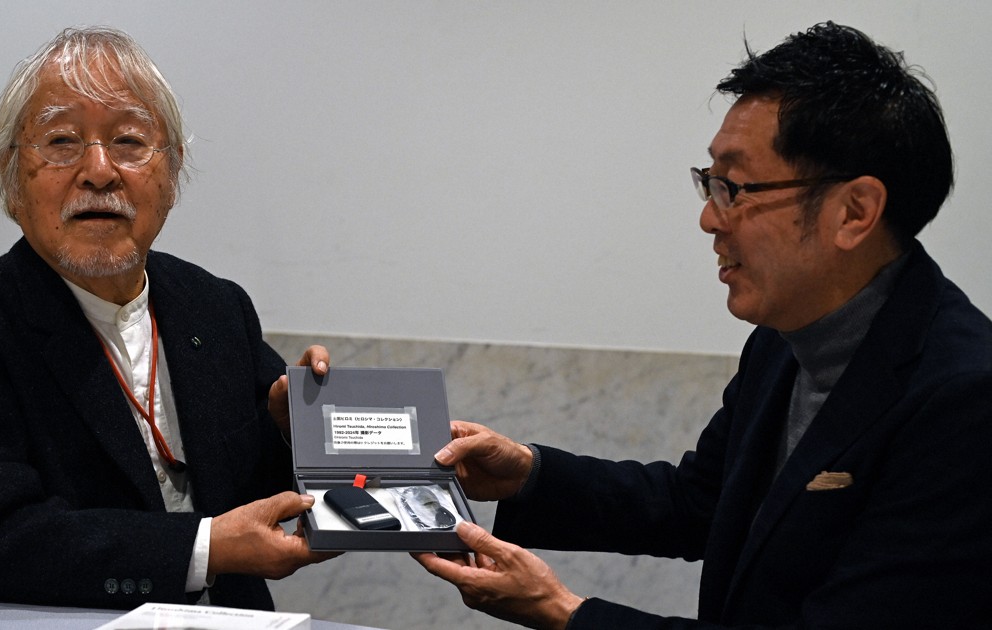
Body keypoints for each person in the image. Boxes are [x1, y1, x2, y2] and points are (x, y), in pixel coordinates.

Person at [414, 22, 992, 629]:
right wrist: (528, 474)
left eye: (734, 188)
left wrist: (564, 613)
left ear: (854, 212)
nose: (709, 220)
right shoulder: (781, 339)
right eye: (708, 182)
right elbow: (701, 503)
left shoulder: (964, 402)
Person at [0, 27, 335, 611]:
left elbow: (253, 497)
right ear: (10, 177)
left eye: (128, 141)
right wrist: (203, 548)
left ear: (171, 175)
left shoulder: (216, 306)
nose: (99, 171)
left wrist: (288, 427)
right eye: (63, 141)